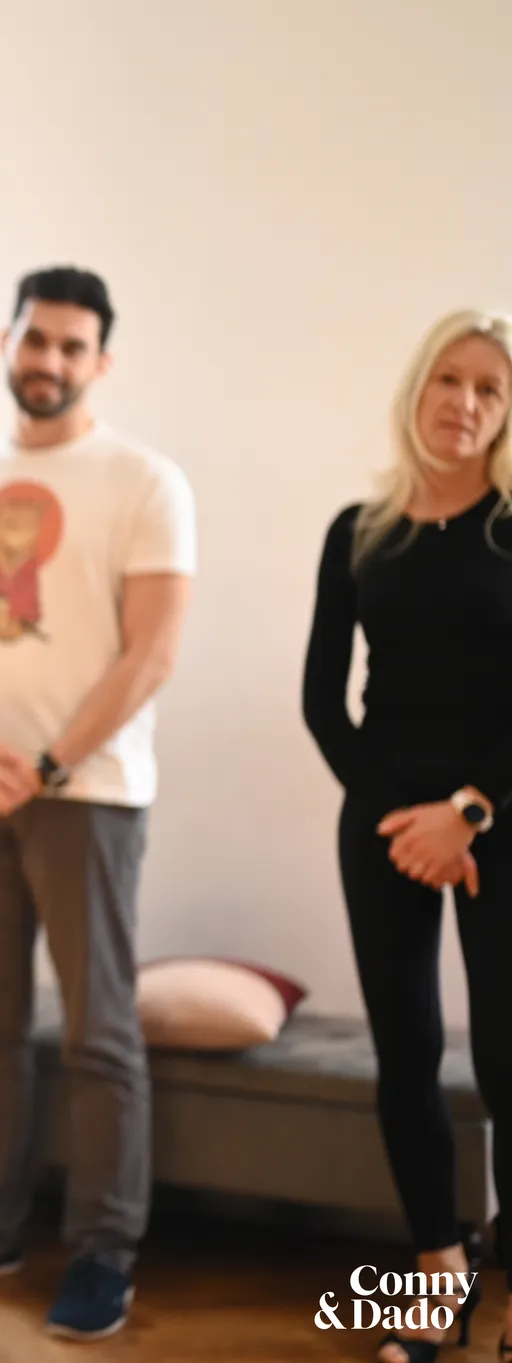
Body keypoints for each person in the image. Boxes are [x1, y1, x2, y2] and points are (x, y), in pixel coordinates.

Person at [0, 267, 195, 1341]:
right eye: (36, 339)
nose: (50, 360)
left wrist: (48, 764)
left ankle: (103, 1250)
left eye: (72, 345)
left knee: (98, 1031)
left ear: (99, 361)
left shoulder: (145, 481)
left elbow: (151, 651)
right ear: (5, 342)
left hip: (88, 794)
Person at [301, 309, 512, 1363]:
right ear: (417, 388)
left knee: (507, 1059)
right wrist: (401, 820)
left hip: (498, 820)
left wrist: (467, 812)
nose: (464, 402)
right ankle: (437, 1271)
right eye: (448, 379)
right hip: (382, 820)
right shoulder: (358, 530)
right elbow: (320, 701)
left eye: (489, 388)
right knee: (407, 1054)